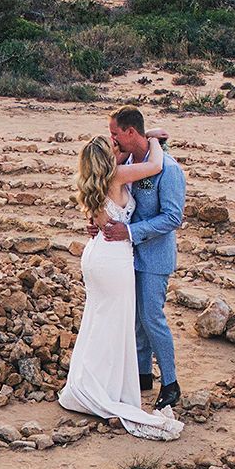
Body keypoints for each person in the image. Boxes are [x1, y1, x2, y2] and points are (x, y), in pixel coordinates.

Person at [57, 136, 185, 440]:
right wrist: (154, 139)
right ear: (107, 157)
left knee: (100, 320)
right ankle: (114, 387)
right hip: (114, 258)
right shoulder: (117, 175)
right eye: (113, 146)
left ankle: (98, 380)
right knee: (119, 322)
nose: (119, 148)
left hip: (96, 252)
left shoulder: (91, 179)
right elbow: (154, 163)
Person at [98, 106, 186, 409]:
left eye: (115, 133)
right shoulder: (129, 163)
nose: (112, 139)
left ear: (130, 132)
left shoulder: (168, 169)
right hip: (126, 256)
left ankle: (171, 383)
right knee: (135, 319)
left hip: (154, 256)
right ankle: (142, 374)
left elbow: (173, 217)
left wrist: (131, 231)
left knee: (152, 317)